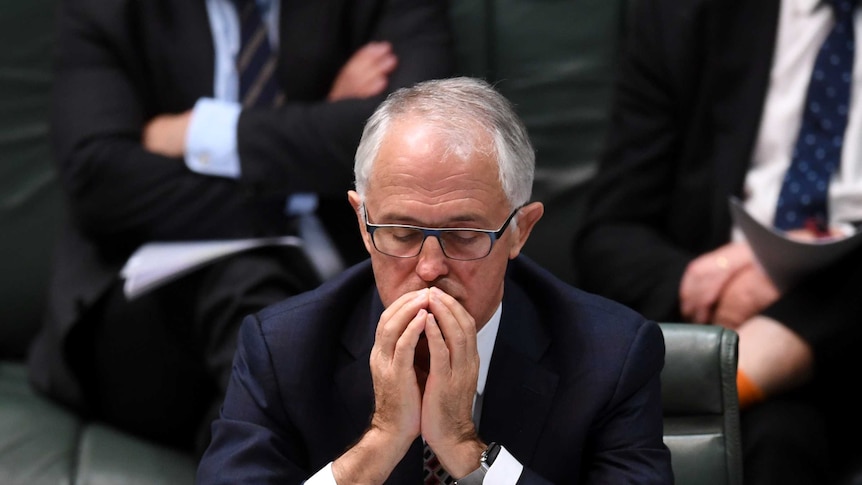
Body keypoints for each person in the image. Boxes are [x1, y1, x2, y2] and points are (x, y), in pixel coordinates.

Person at [196, 77, 673, 484]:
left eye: (464, 236)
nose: (428, 268)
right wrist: (380, 441)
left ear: (520, 231)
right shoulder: (282, 348)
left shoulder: (611, 356)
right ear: (363, 225)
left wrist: (466, 450)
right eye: (401, 234)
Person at [28, 0, 453, 455]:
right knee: (255, 298)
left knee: (291, 336)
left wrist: (199, 132)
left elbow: (420, 141)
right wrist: (314, 151)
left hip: (334, 294)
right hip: (147, 313)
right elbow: (100, 180)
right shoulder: (109, 10)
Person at [573, 0, 862, 483]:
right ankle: (749, 364)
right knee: (776, 439)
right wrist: (710, 282)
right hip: (729, 317)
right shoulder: (685, 16)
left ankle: (749, 362)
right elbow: (609, 235)